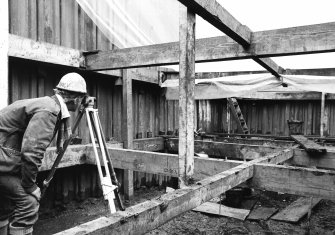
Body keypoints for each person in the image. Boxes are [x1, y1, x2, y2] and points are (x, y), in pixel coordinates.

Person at [0, 72, 87, 235]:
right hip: (2, 162)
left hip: (4, 160)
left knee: (4, 206)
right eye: (82, 98)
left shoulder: (48, 104)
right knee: (28, 202)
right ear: (76, 99)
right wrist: (30, 186)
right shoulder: (50, 110)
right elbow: (32, 151)